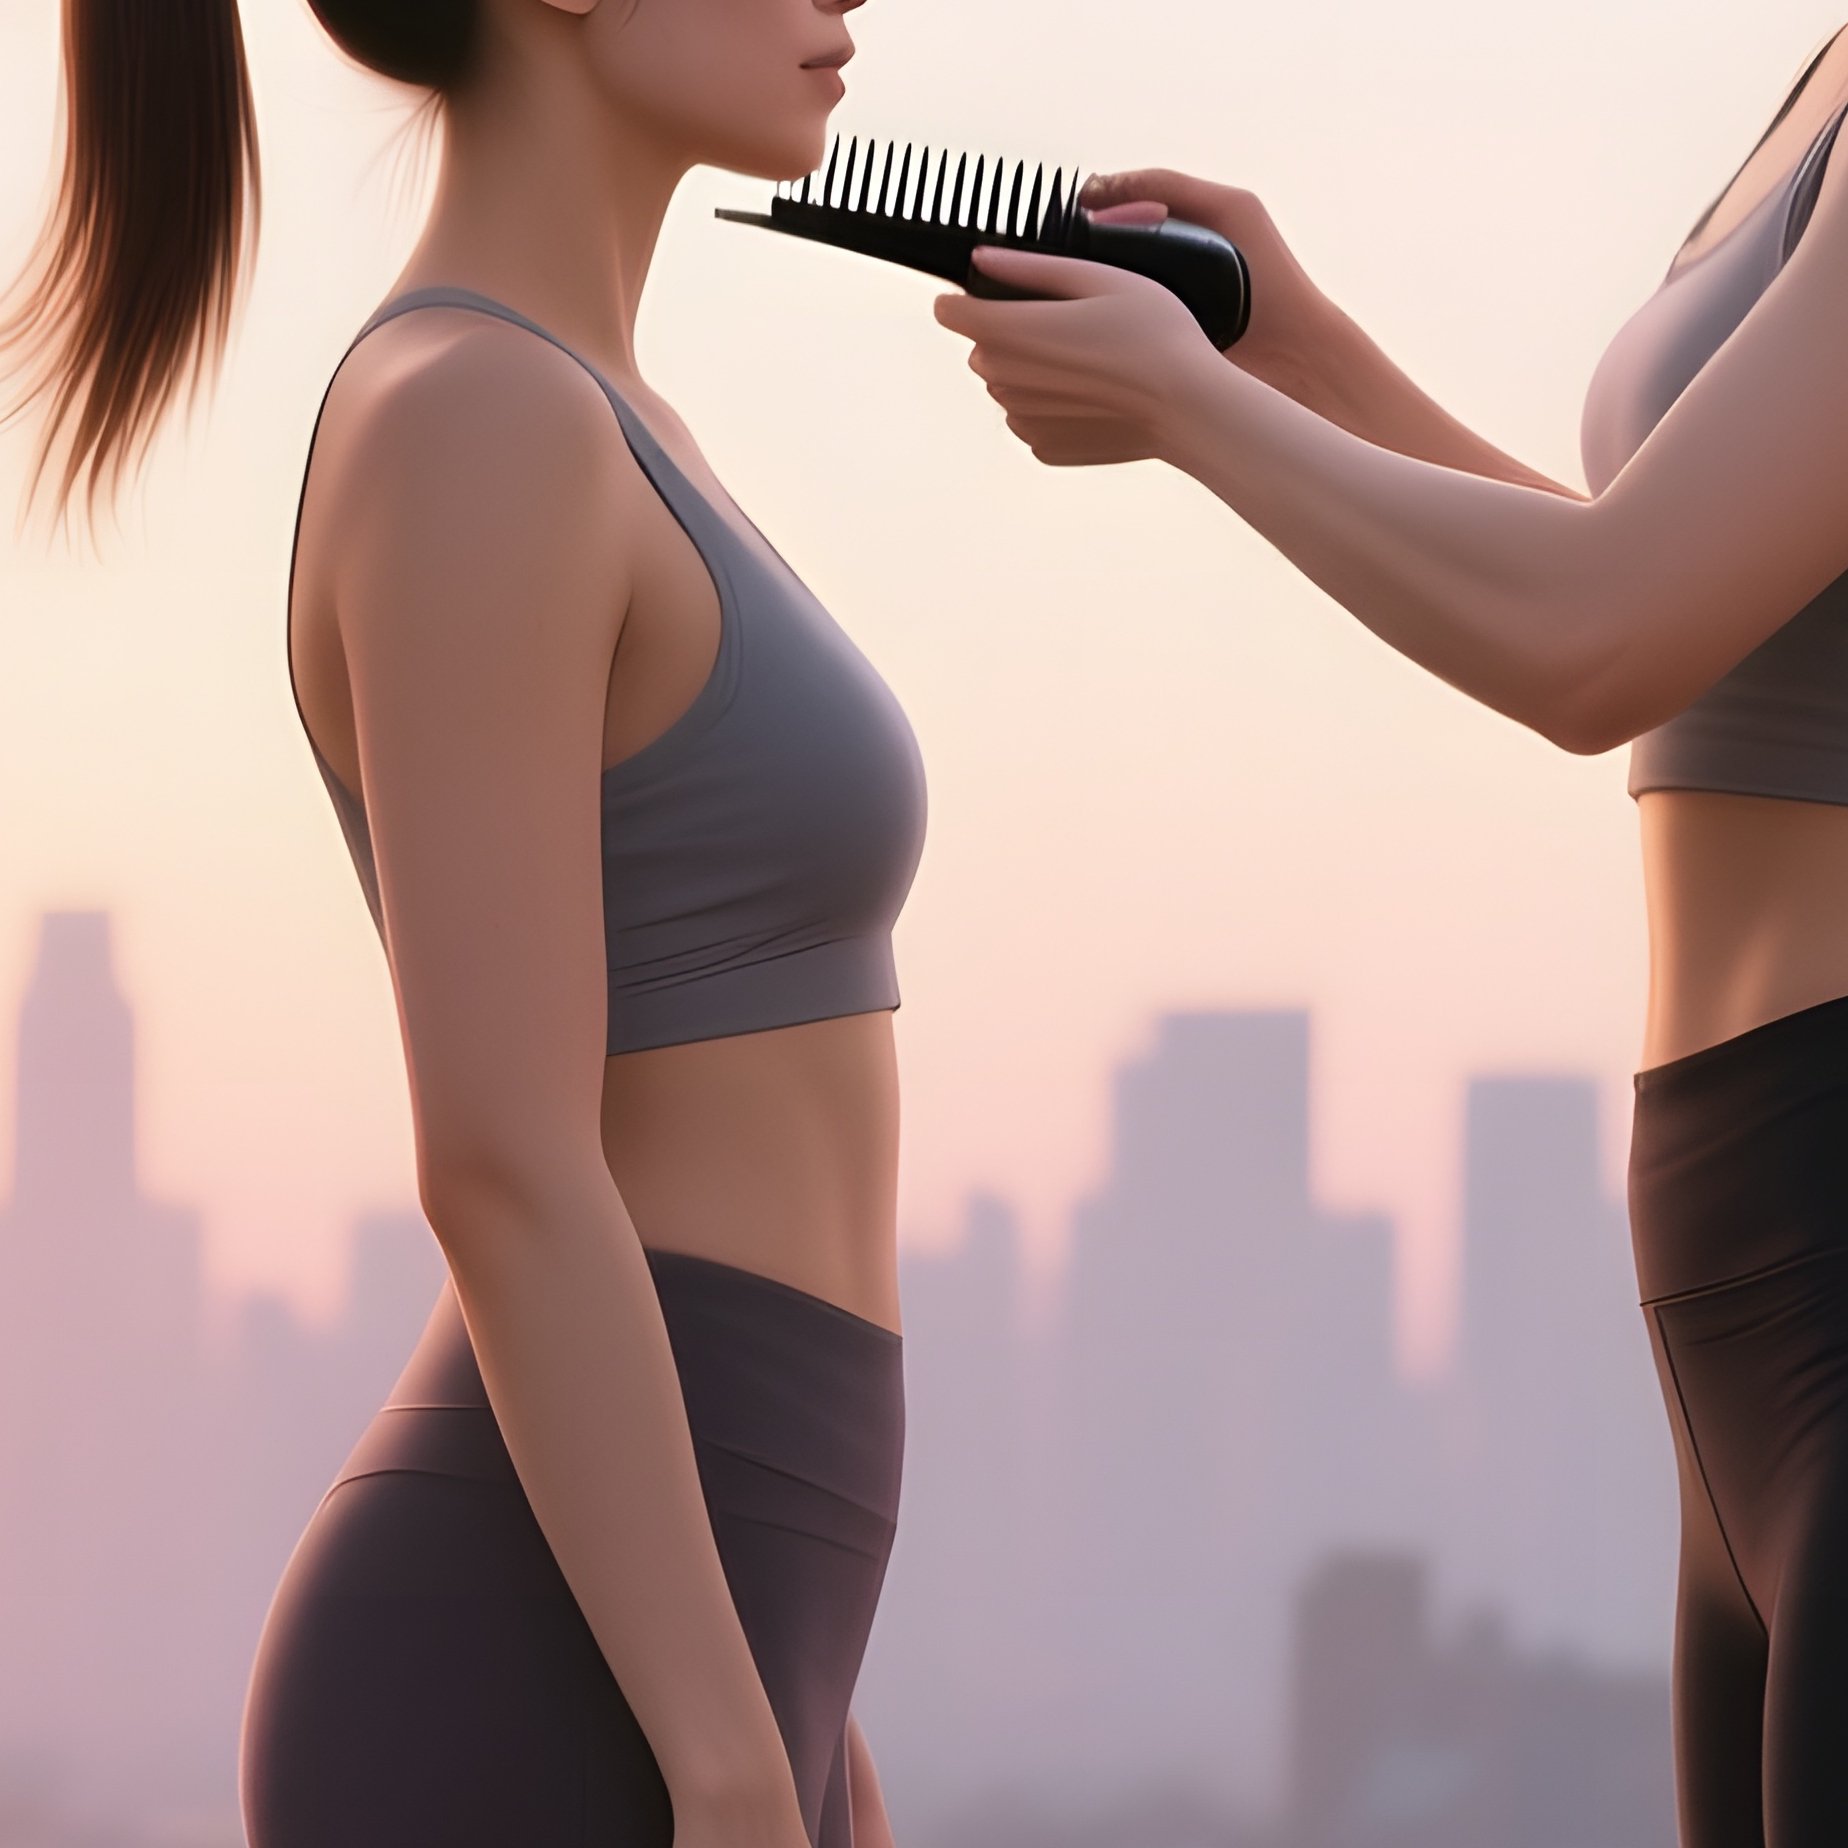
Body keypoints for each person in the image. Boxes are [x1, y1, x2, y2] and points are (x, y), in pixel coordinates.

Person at [0, 1, 926, 1843]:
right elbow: (504, 1157)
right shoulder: (479, 422)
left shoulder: (585, 413)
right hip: (546, 1694)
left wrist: (808, 1748)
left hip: (705, 1668)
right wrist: (735, 1765)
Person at [931, 22, 1848, 1848]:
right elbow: (1670, 587)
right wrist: (1297, 352)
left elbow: (1605, 640)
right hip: (1733, 1251)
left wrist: (1196, 411)